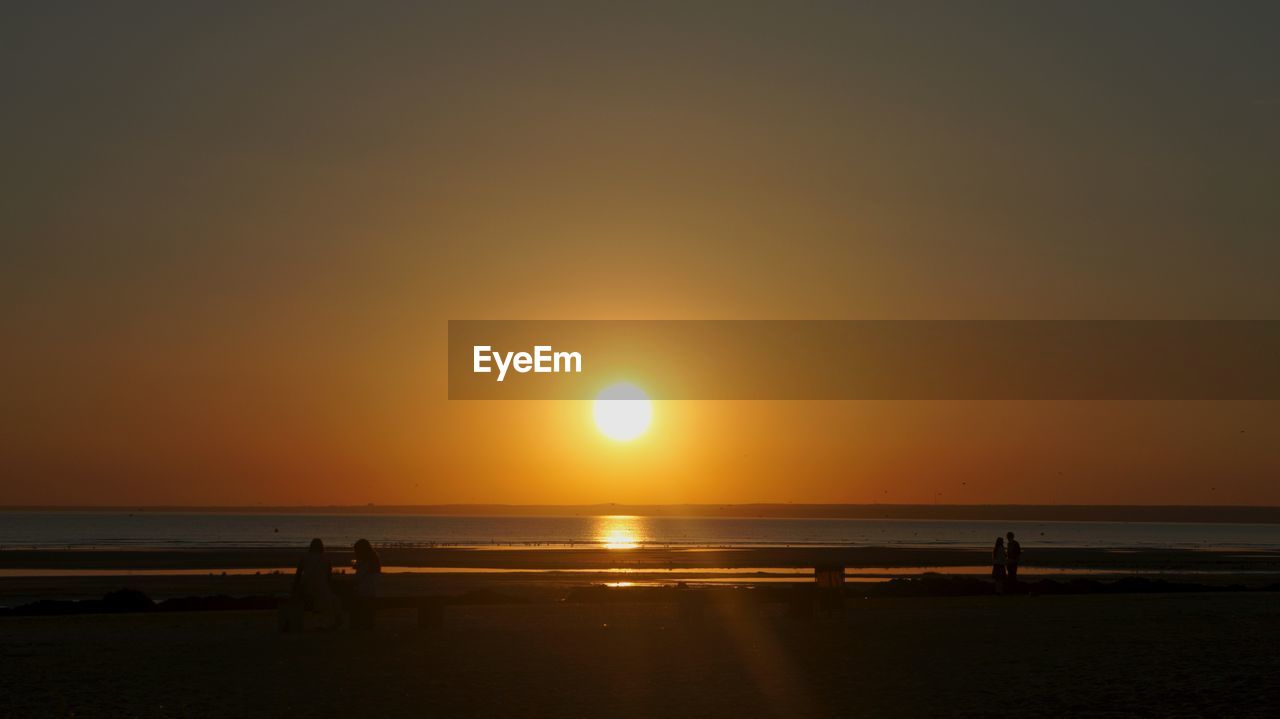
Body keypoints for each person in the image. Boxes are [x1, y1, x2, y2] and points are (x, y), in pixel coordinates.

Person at [292, 538, 340, 627]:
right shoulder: (326, 559)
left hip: (307, 588)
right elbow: (329, 578)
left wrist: (295, 589)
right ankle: (332, 622)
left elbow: (298, 575)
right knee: (334, 600)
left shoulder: (304, 557)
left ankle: (321, 621)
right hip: (322, 589)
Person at [350, 538, 382, 630]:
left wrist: (359, 567)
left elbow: (357, 579)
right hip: (372, 589)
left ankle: (355, 624)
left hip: (366, 591)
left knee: (349, 595)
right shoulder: (373, 560)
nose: (355, 553)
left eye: (356, 551)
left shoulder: (366, 563)